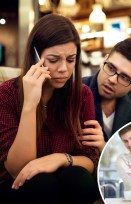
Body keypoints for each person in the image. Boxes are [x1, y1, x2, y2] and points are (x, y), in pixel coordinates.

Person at [0, 14, 100, 203]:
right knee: (43, 184)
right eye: (53, 60)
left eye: (71, 59)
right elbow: (18, 169)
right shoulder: (6, 94)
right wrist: (30, 104)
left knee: (78, 178)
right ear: (35, 56)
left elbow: (89, 160)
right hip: (17, 184)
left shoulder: (82, 94)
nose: (64, 69)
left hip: (63, 179)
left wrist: (61, 158)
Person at [83, 38, 131, 141]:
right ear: (103, 61)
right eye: (111, 68)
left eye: (124, 77)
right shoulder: (76, 90)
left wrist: (104, 148)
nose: (112, 80)